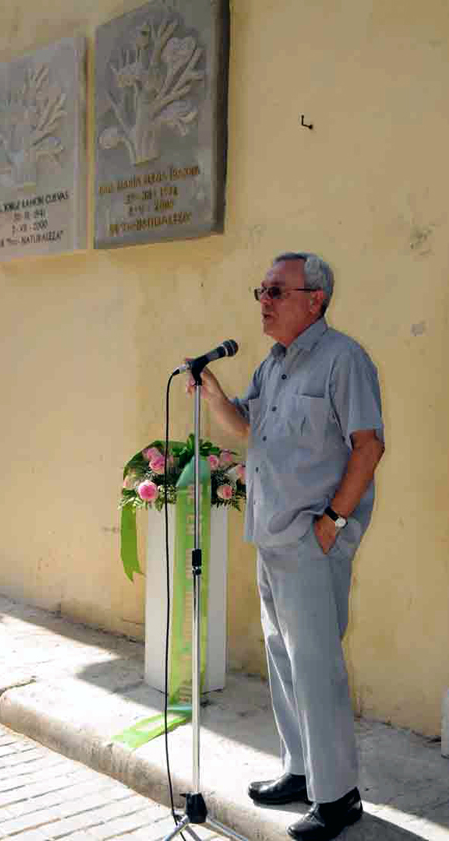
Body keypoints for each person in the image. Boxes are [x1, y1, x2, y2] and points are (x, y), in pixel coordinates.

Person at [187, 252, 384, 841]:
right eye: (262, 291)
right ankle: (301, 772)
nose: (265, 301)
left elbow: (368, 447)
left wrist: (332, 523)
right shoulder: (274, 366)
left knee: (317, 666)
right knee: (283, 659)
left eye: (277, 290)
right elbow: (249, 428)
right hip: (270, 534)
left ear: (314, 299)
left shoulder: (343, 360)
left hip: (310, 539)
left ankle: (338, 797)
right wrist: (214, 395)